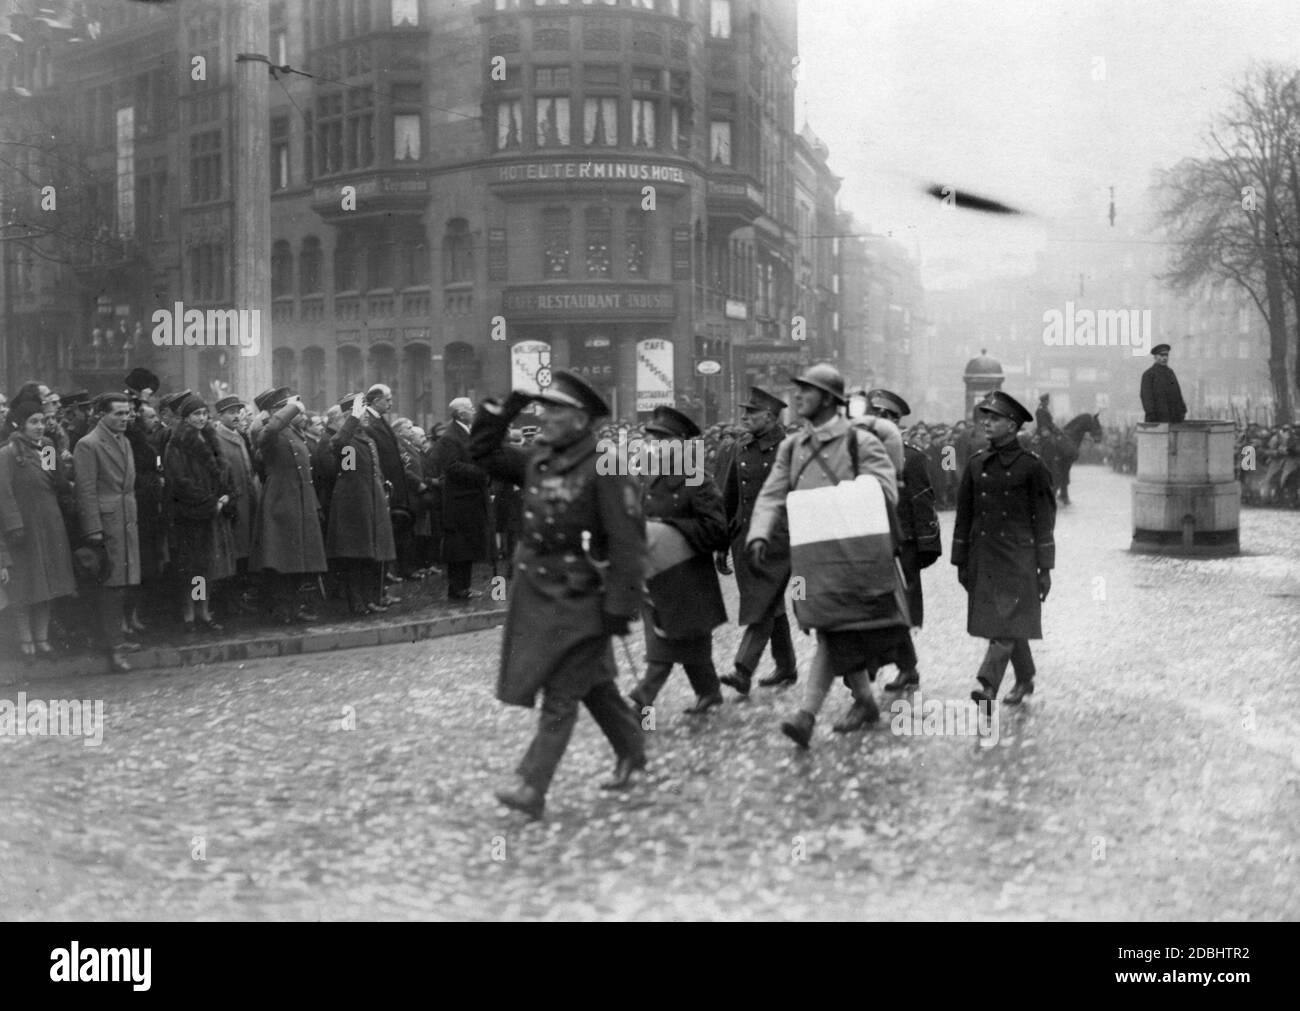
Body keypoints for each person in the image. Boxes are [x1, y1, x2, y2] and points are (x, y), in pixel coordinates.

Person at [468, 372, 646, 820]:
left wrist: (620, 608)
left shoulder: (606, 463)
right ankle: (633, 750)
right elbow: (484, 453)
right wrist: (507, 406)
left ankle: (531, 784)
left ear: (581, 419)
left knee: (561, 691)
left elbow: (628, 541)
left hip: (583, 595)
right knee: (596, 688)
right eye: (543, 408)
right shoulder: (540, 458)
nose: (544, 416)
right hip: (539, 594)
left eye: (555, 409)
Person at [747, 363, 906, 747]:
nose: (797, 396)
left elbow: (886, 492)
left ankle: (806, 715)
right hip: (810, 558)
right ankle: (865, 701)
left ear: (830, 400)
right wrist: (758, 533)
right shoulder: (792, 446)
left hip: (854, 555)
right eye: (797, 389)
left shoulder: (860, 442)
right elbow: (771, 493)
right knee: (826, 625)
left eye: (807, 390)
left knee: (834, 630)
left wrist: (835, 503)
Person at [953, 391, 1057, 707]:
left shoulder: (1031, 467)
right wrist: (961, 560)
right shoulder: (976, 464)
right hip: (984, 557)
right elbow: (964, 515)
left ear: (1012, 426)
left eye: (994, 418)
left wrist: (1045, 567)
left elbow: (1045, 520)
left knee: (1005, 622)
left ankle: (987, 685)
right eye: (986, 416)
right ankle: (1025, 679)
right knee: (1008, 622)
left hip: (1018, 559)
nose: (986, 422)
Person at [627, 406, 729, 717]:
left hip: (687, 576)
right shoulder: (648, 478)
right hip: (657, 575)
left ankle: (641, 700)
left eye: (663, 440)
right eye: (653, 440)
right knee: (684, 639)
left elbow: (717, 530)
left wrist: (670, 531)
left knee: (669, 642)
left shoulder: (697, 478)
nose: (655, 446)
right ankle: (709, 692)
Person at [716, 387, 798, 695]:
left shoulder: (789, 447)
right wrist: (722, 543)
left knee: (762, 603)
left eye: (752, 413)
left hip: (777, 539)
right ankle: (787, 667)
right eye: (745, 412)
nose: (745, 417)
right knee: (770, 602)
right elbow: (730, 496)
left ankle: (743, 668)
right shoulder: (741, 447)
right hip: (744, 538)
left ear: (770, 416)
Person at [864, 389, 942, 691]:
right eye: (874, 415)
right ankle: (888, 665)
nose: (878, 422)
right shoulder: (859, 454)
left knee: (896, 607)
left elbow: (922, 503)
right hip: (868, 543)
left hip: (901, 544)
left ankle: (887, 666)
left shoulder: (913, 458)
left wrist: (925, 547)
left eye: (885, 417)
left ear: (896, 422)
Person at [0, 395, 76, 657]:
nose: (40, 426)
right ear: (20, 424)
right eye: (33, 422)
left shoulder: (47, 447)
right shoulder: (8, 453)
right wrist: (14, 526)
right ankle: (25, 640)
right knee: (26, 584)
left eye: (42, 421)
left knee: (49, 582)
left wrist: (64, 471)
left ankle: (42, 639)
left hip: (50, 521)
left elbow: (55, 482)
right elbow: (4, 493)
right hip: (25, 527)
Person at [73, 393, 142, 673]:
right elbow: (85, 490)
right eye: (118, 414)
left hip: (127, 519)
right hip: (107, 523)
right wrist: (94, 529)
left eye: (127, 413)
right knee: (110, 586)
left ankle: (118, 639)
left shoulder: (123, 441)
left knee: (124, 584)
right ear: (102, 414)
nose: (125, 418)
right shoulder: (88, 444)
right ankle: (113, 648)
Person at [249, 387, 328, 625]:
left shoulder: (293, 432)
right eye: (286, 407)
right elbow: (270, 429)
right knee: (281, 561)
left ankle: (294, 607)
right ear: (275, 411)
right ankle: (282, 609)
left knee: (298, 561)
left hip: (300, 502)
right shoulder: (268, 432)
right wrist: (293, 407)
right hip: (280, 502)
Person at [163, 394, 234, 631]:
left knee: (205, 567)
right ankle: (189, 615)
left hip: (210, 511)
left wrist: (225, 494)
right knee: (191, 567)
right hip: (190, 513)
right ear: (185, 418)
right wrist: (210, 501)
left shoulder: (211, 439)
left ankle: (204, 612)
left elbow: (221, 472)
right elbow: (180, 481)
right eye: (196, 414)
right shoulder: (177, 443)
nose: (201, 418)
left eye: (204, 413)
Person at [326, 393, 396, 615]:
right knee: (354, 558)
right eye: (361, 413)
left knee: (368, 557)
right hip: (353, 504)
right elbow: (346, 463)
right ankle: (356, 602)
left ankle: (369, 599)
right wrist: (353, 420)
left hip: (370, 501)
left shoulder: (367, 439)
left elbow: (374, 469)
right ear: (350, 415)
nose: (365, 417)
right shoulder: (348, 439)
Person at [431, 397, 490, 600]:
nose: (474, 411)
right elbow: (452, 466)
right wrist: (482, 472)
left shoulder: (465, 433)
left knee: (467, 547)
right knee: (459, 548)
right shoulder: (450, 437)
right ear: (461, 413)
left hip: (469, 499)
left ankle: (464, 587)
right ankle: (457, 589)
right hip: (460, 501)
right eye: (471, 408)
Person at [213, 395, 260, 612]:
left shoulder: (239, 436)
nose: (235, 416)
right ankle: (224, 602)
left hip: (246, 503)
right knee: (229, 555)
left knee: (243, 554)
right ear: (220, 415)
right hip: (231, 505)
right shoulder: (216, 438)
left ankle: (238, 599)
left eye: (237, 411)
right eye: (230, 412)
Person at [1140, 344, 1187, 424]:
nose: (1164, 358)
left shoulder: (1170, 373)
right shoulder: (1148, 374)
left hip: (1174, 419)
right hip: (1156, 420)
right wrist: (1151, 415)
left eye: (1166, 355)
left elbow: (1177, 393)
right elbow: (1146, 397)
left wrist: (1182, 410)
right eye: (1161, 355)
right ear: (1155, 357)